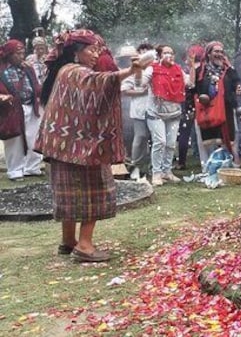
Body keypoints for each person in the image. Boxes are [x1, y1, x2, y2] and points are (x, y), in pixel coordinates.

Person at [36, 29, 153, 262]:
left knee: (68, 194)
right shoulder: (75, 71)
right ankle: (85, 246)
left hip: (63, 145)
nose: (95, 55)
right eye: (91, 50)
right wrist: (131, 71)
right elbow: (98, 81)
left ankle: (68, 241)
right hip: (79, 147)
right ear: (77, 52)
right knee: (96, 190)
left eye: (98, 50)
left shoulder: (64, 71)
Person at [143, 44, 193, 186]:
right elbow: (141, 83)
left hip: (174, 113)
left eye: (171, 53)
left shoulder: (178, 69)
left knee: (171, 144)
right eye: (165, 53)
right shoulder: (152, 68)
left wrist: (193, 67)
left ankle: (167, 171)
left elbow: (190, 83)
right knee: (160, 142)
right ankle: (156, 173)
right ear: (159, 55)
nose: (169, 55)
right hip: (155, 113)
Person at [0, 39, 44, 180]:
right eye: (18, 53)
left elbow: (36, 86)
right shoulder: (1, 70)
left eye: (22, 53)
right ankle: (15, 171)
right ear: (9, 55)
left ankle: (32, 167)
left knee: (34, 137)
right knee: (14, 140)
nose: (21, 56)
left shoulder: (27, 68)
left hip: (31, 106)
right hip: (11, 110)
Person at [195, 42, 241, 166]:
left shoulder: (229, 70)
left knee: (228, 138)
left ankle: (227, 167)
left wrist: (239, 87)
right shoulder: (200, 71)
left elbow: (237, 81)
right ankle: (209, 168)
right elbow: (193, 89)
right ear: (209, 54)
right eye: (216, 51)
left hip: (226, 109)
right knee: (208, 142)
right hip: (206, 110)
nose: (219, 54)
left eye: (221, 52)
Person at [120, 44, 151, 181]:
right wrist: (140, 92)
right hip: (133, 112)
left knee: (148, 140)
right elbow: (125, 90)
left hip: (152, 111)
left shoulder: (150, 70)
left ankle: (146, 168)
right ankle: (134, 167)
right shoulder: (127, 72)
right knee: (137, 138)